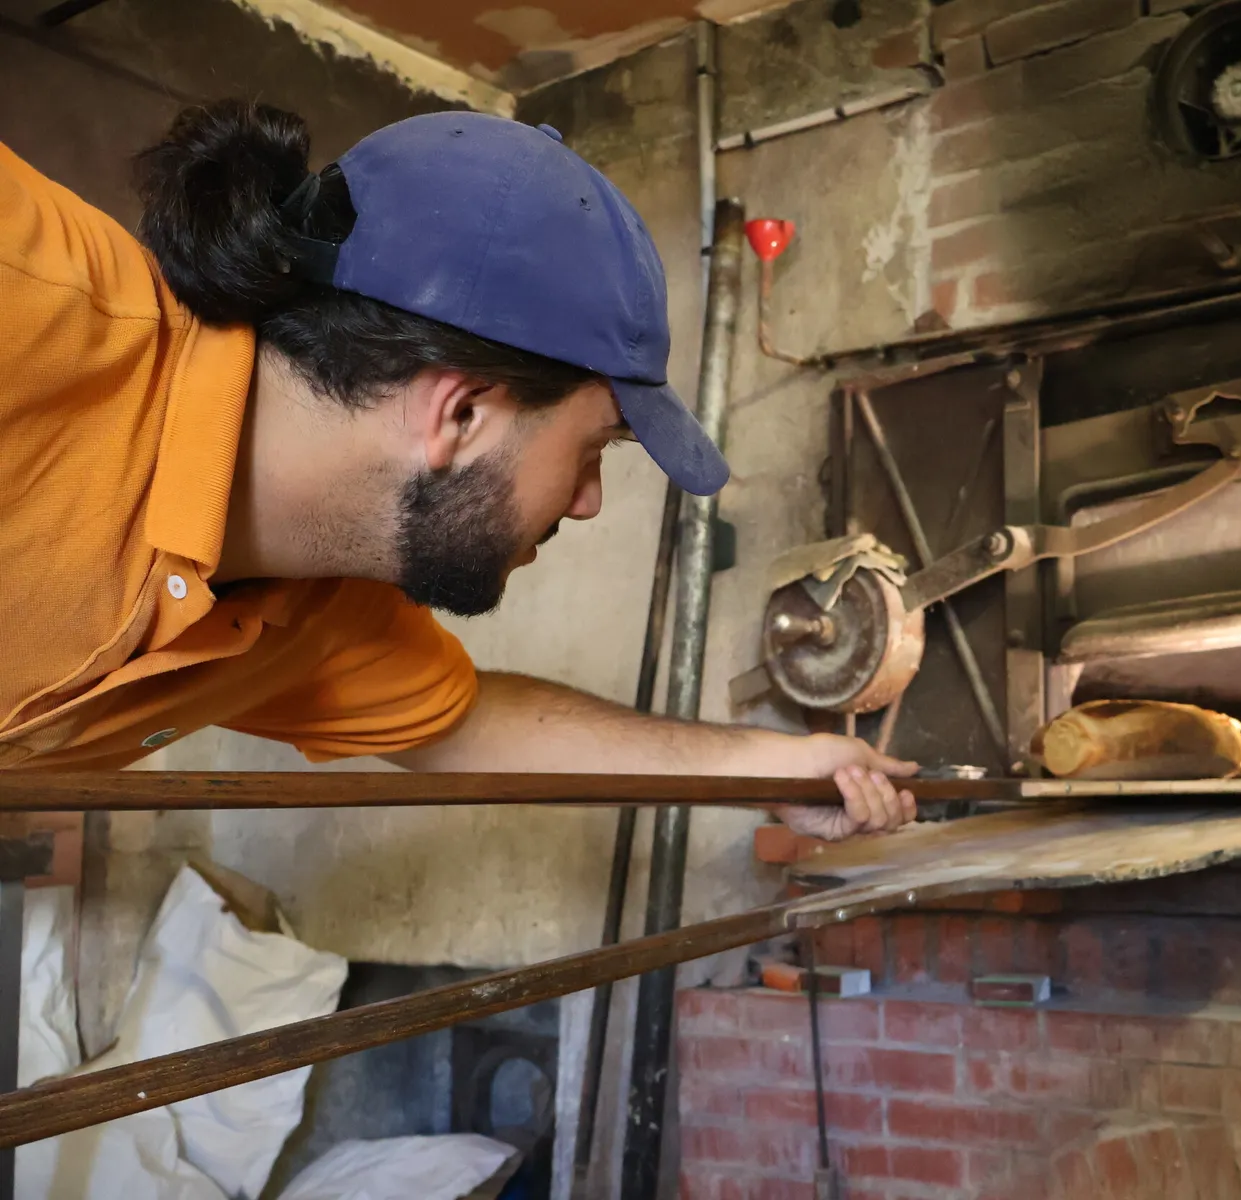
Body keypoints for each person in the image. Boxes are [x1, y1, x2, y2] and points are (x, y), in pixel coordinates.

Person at [0, 99, 916, 842]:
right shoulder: (31, 292)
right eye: (595, 447)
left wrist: (770, 765)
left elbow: (467, 725)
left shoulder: (313, 609)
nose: (589, 502)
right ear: (462, 414)